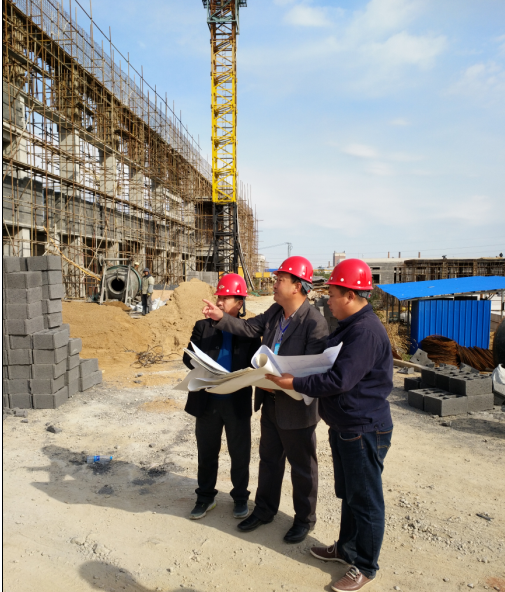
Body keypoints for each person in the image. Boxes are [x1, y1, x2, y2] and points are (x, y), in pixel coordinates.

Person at [266, 259, 393, 592]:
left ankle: (365, 566)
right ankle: (346, 549)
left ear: (350, 295)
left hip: (364, 428)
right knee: (349, 495)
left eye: (333, 294)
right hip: (346, 426)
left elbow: (340, 379)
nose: (328, 300)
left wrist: (295, 383)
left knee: (365, 500)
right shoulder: (350, 325)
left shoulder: (365, 332)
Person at [202, 256, 329, 543]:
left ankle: (304, 519)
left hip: (296, 406)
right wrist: (221, 317)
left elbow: (316, 370)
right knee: (269, 461)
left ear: (297, 286)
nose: (274, 283)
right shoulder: (274, 312)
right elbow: (249, 329)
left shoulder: (314, 323)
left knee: (302, 468)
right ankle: (264, 510)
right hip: (270, 402)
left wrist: (287, 380)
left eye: (280, 280)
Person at [183, 274, 261, 520]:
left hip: (236, 403)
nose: (219, 301)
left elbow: (256, 364)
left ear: (239, 303)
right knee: (207, 453)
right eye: (218, 296)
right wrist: (203, 366)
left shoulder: (249, 332)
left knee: (240, 454)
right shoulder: (202, 326)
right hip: (207, 402)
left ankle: (240, 498)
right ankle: (205, 497)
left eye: (225, 298)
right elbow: (187, 357)